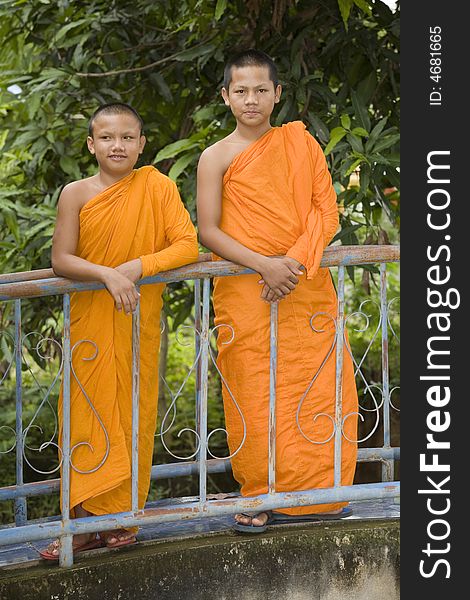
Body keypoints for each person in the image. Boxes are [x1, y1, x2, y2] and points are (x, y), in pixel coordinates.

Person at [197, 50, 358, 532]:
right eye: (241, 91)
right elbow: (208, 230)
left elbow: (324, 211)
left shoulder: (300, 144)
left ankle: (322, 495)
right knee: (254, 390)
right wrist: (265, 265)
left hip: (304, 285)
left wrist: (289, 264)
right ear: (226, 96)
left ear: (277, 94)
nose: (252, 100)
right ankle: (260, 493)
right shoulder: (216, 156)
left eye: (261, 90)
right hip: (248, 289)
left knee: (316, 389)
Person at [39, 103, 199, 559]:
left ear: (142, 143)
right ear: (91, 144)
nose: (118, 146)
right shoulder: (76, 192)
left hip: (136, 319)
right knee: (87, 418)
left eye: (128, 137)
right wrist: (109, 275)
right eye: (107, 138)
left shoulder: (157, 186)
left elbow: (187, 244)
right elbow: (61, 260)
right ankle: (85, 524)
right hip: (90, 322)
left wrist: (135, 266)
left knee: (133, 412)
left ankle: (122, 519)